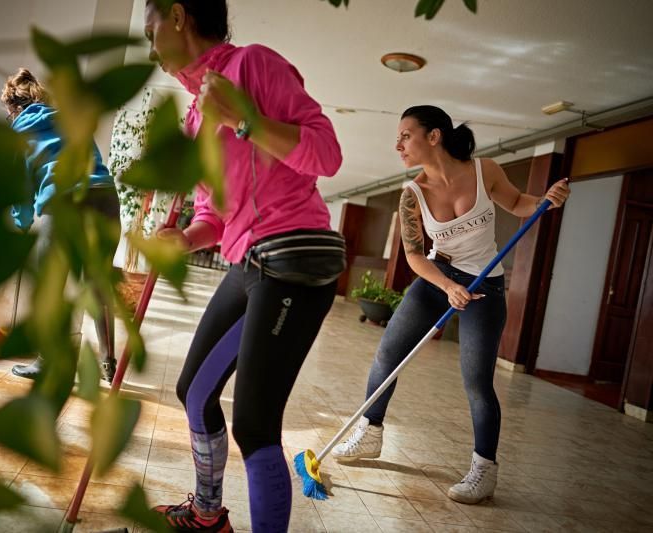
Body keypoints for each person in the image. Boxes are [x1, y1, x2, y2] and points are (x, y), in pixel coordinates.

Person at [143, 1, 343, 531]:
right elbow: (215, 212)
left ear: (178, 16)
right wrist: (185, 238)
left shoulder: (252, 65)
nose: (149, 43)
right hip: (247, 261)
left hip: (294, 255)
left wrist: (244, 119)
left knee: (255, 426)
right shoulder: (193, 116)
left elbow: (327, 154)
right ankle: (208, 515)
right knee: (194, 392)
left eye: (151, 28)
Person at [331, 105, 570, 505]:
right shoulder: (412, 195)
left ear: (434, 136)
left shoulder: (485, 170)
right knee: (387, 355)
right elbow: (414, 256)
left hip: (484, 288)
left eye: (406, 135)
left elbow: (517, 203)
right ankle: (370, 432)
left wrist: (546, 200)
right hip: (435, 280)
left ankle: (483, 469)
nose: (398, 144)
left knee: (477, 381)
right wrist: (445, 286)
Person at [0, 68, 120, 382]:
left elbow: (21, 189)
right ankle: (110, 364)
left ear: (14, 108)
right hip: (106, 197)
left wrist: (22, 222)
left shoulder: (19, 132)